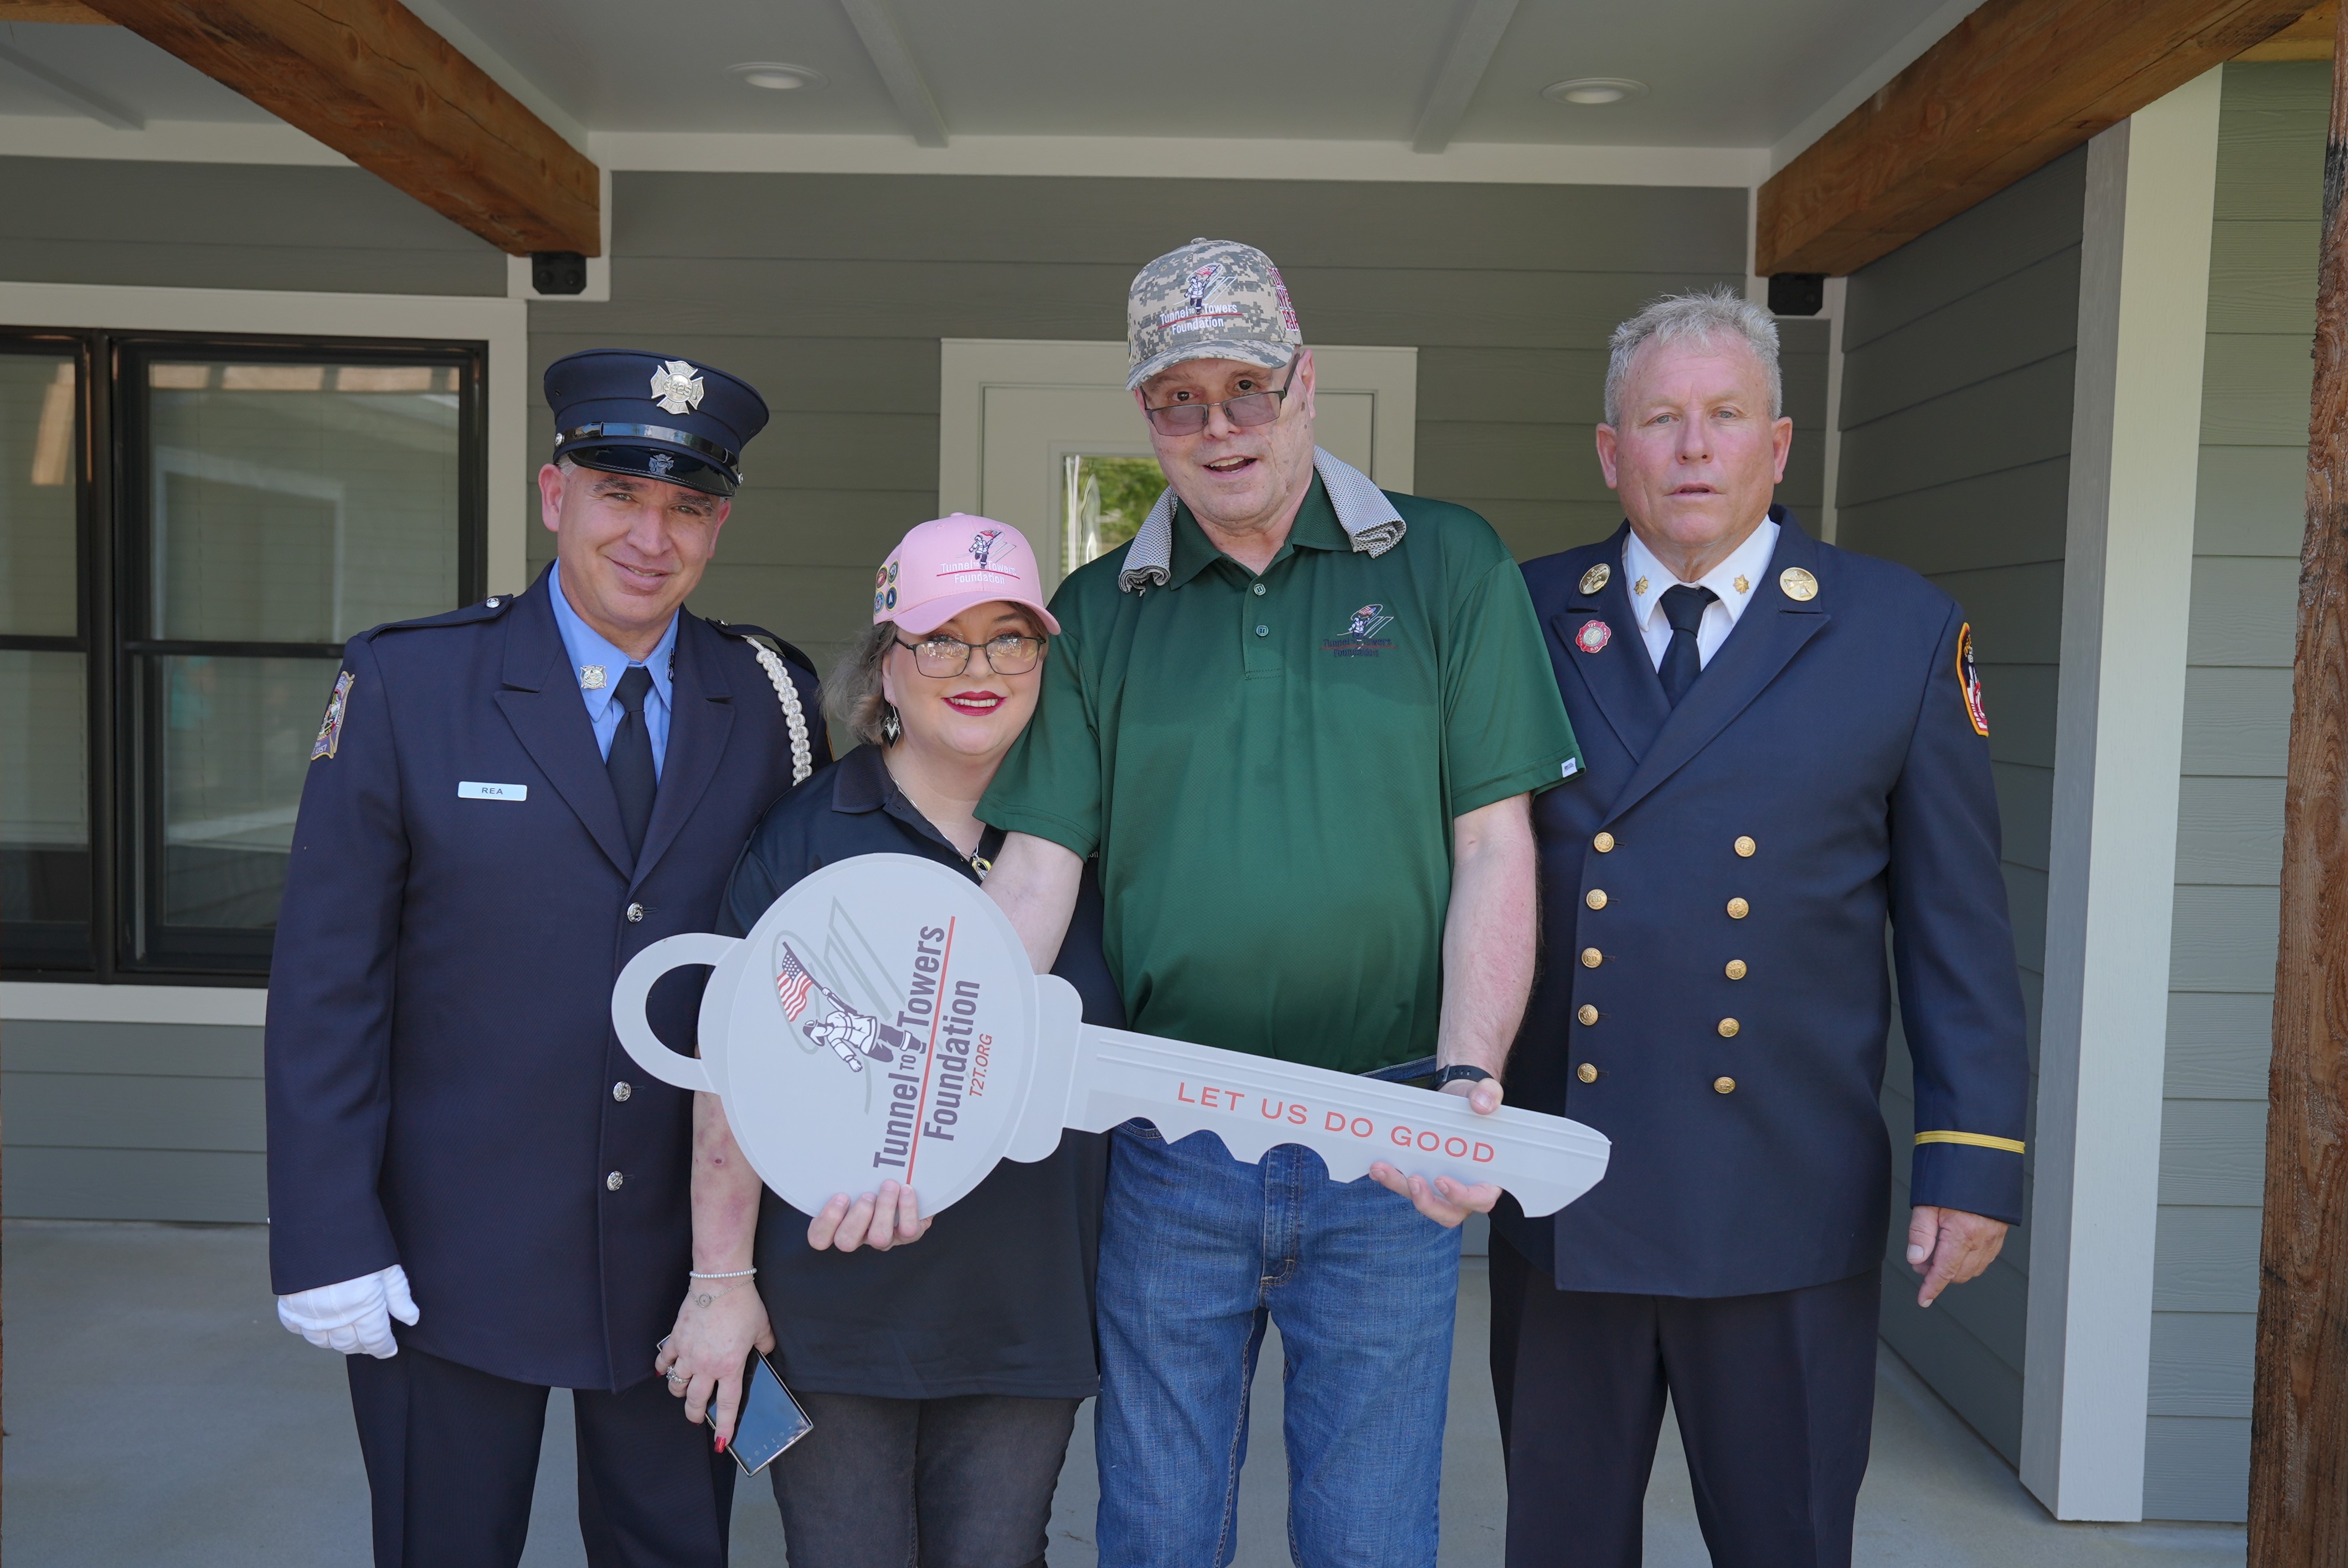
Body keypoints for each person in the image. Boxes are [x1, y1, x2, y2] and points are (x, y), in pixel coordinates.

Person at [975, 238, 1585, 1567]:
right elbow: (1034, 871)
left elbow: (1494, 844)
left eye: (1245, 385)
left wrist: (1467, 1082)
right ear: (1146, 417)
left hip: (1390, 1128)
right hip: (1165, 1133)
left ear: (1305, 382)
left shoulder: (1444, 564)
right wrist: (953, 1067)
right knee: (1153, 1525)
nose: (1216, 426)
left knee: (1369, 1532)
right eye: (1176, 399)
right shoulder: (1098, 612)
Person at [264, 349, 828, 1568]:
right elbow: (327, 983)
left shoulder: (766, 696)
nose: (649, 535)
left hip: (680, 1263)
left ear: (718, 523)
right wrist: (327, 1236)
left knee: (672, 1548)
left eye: (686, 506)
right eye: (618, 493)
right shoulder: (413, 683)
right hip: (448, 1255)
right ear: (552, 493)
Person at [1495, 289, 2030, 1568]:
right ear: (1608, 451)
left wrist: (1971, 1160)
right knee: (1561, 1545)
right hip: (1569, 1185)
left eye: (1723, 416)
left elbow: (1956, 926)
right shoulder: (1513, 619)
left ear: (1776, 446)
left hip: (1784, 1193)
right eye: (1660, 420)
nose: (1692, 448)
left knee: (1785, 1539)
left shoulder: (1896, 631)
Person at [656, 515, 1124, 1568]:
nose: (980, 668)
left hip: (1025, 1303)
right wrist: (720, 1282)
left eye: (1012, 638)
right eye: (942, 639)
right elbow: (730, 1077)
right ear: (883, 668)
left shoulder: (1081, 841)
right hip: (836, 1309)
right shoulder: (808, 834)